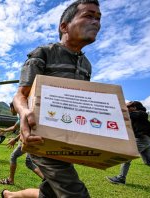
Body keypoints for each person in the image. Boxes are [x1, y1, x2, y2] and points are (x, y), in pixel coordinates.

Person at [10, 0, 101, 197]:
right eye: (88, 15)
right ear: (64, 26)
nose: (96, 22)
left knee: (50, 193)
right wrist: (25, 112)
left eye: (98, 18)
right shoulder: (43, 53)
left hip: (68, 140)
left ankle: (10, 195)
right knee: (74, 192)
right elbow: (20, 95)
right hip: (40, 140)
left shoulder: (87, 65)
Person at [106, 101, 150, 184]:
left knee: (127, 157)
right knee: (149, 162)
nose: (127, 109)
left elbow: (131, 115)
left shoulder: (141, 114)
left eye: (128, 107)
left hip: (142, 140)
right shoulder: (135, 117)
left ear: (134, 107)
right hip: (146, 141)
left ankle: (121, 178)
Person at [0, 102, 44, 185]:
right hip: (31, 139)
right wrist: (3, 130)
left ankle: (10, 180)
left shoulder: (23, 114)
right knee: (29, 162)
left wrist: (15, 139)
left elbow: (26, 130)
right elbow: (14, 127)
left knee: (13, 156)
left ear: (14, 107)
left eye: (10, 108)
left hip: (28, 140)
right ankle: (47, 180)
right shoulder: (20, 116)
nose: (10, 110)